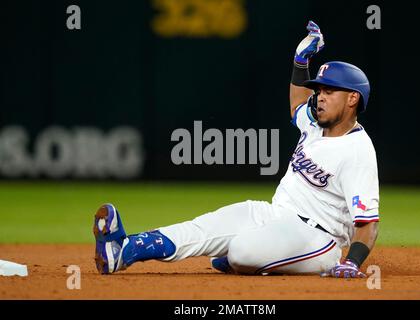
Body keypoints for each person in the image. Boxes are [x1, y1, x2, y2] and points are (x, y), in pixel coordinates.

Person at [93, 21, 379, 278]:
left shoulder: (357, 150)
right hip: (274, 215)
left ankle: (242, 260)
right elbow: (297, 105)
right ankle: (123, 250)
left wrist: (352, 262)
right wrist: (300, 60)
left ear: (353, 98)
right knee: (201, 228)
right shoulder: (314, 125)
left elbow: (367, 223)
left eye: (330, 91)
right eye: (320, 90)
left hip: (318, 239)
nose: (321, 97)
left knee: (241, 250)